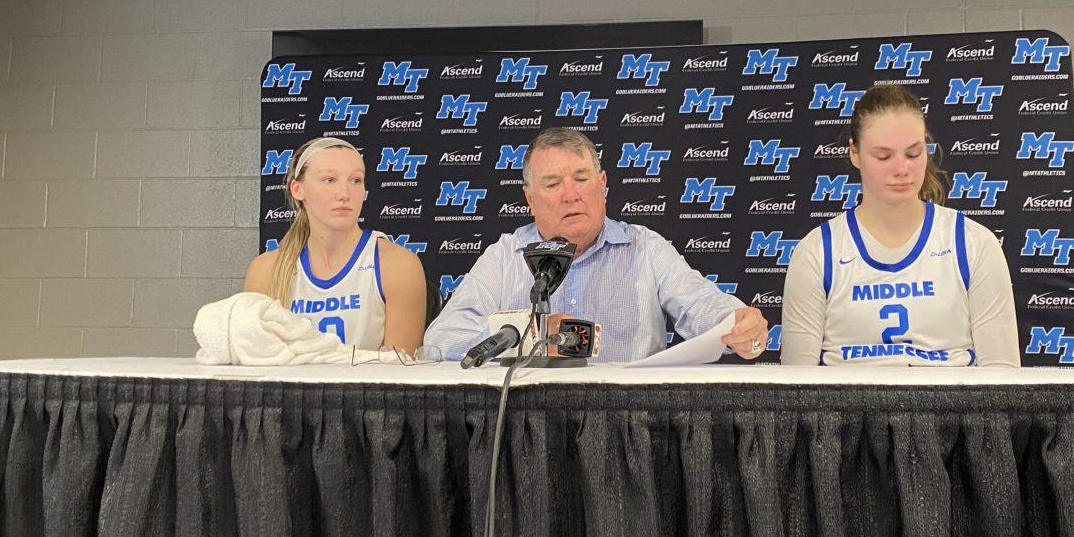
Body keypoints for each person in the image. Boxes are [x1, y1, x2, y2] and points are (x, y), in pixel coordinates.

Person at [424, 127, 769, 363]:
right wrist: (535, 336)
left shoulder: (644, 248)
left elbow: (702, 305)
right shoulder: (505, 257)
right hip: (527, 424)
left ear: (602, 184)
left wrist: (738, 324)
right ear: (530, 197)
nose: (571, 195)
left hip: (627, 426)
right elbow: (442, 339)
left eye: (582, 179)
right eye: (553, 183)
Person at [781, 85, 1018, 366]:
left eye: (914, 153)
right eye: (883, 156)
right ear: (854, 153)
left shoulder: (973, 243)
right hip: (849, 408)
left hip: (950, 407)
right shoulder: (817, 252)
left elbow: (1002, 375)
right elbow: (796, 385)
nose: (902, 169)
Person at [244, 136, 427, 353]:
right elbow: (258, 366)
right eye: (329, 180)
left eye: (356, 180)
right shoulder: (266, 271)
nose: (345, 194)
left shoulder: (397, 266)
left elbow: (399, 374)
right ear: (297, 189)